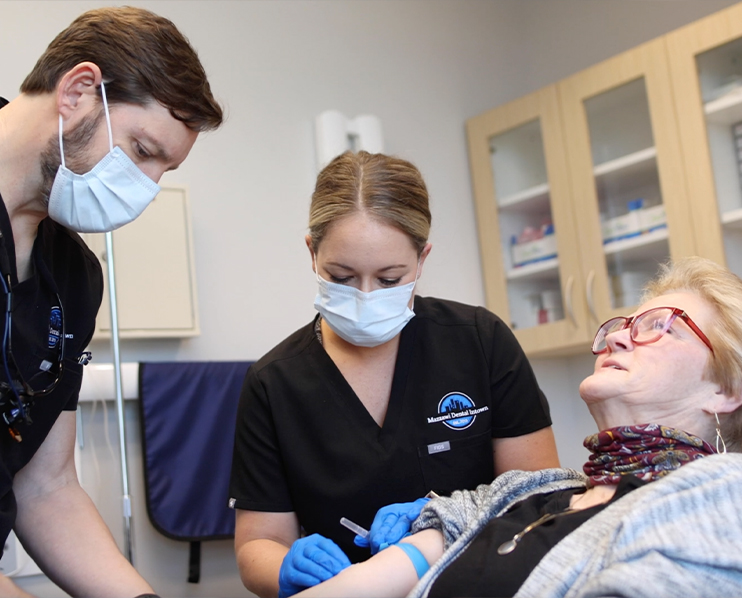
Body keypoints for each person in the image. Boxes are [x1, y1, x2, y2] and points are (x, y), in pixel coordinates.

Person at [294, 256, 742, 598]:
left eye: (660, 325)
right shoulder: (527, 491)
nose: (616, 336)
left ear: (727, 388)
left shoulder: (733, 489)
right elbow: (363, 587)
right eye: (621, 324)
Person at [229, 150, 560, 597]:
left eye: (389, 279)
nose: (366, 296)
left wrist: (445, 517)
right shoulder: (275, 383)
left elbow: (541, 502)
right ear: (312, 252)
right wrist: (284, 566)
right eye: (342, 276)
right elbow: (258, 545)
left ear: (422, 258)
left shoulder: (479, 342)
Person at [0, 7, 222, 597]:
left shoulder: (72, 276)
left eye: (164, 170)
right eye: (143, 150)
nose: (146, 189)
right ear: (77, 91)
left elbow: (44, 487)